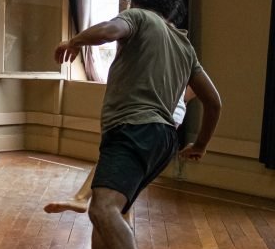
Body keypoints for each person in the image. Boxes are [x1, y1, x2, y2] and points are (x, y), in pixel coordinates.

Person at [51, 0, 221, 249]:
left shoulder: (138, 17)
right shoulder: (184, 45)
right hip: (164, 139)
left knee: (102, 209)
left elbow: (110, 31)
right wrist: (202, 145)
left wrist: (74, 40)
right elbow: (213, 101)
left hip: (132, 129)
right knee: (113, 211)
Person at [44, 87, 195, 215]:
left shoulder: (172, 65)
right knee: (124, 198)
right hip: (168, 127)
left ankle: (81, 198)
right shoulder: (180, 69)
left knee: (114, 156)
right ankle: (108, 210)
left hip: (153, 120)